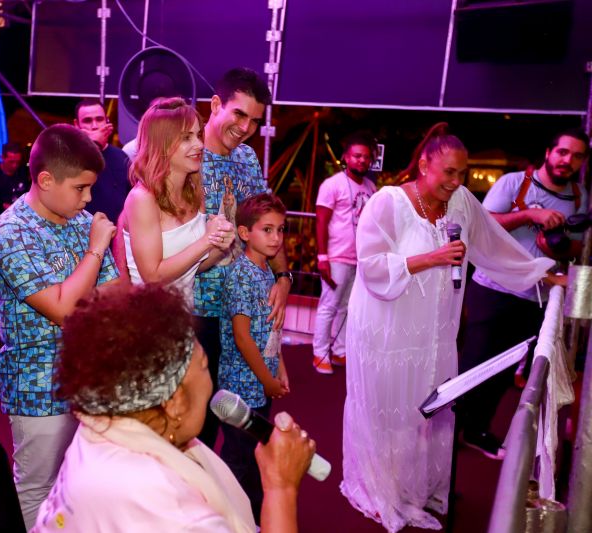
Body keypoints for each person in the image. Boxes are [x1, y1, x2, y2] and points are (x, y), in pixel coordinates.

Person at [340, 123, 555, 533]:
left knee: (426, 406)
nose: (456, 182)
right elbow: (369, 266)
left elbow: (493, 245)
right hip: (386, 331)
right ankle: (384, 487)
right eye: (449, 173)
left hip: (435, 333)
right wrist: (433, 258)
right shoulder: (388, 202)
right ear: (424, 164)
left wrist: (540, 275)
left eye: (463, 174)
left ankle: (416, 486)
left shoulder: (461, 204)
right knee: (393, 409)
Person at [32, 283, 315, 533]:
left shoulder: (100, 423)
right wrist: (281, 487)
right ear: (174, 400)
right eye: (204, 366)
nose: (211, 382)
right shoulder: (168, 507)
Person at [0, 124, 119, 530]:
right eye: (80, 188)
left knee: (81, 484)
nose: (88, 198)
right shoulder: (11, 232)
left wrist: (81, 290)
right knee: (37, 488)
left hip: (88, 377)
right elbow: (62, 308)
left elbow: (114, 296)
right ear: (45, 180)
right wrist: (96, 250)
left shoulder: (79, 220)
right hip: (37, 385)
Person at [458, 127, 589, 459]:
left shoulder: (579, 195)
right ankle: (447, 433)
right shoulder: (515, 183)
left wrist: (558, 245)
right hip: (493, 288)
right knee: (474, 364)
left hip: (536, 296)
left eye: (576, 156)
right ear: (548, 152)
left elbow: (578, 247)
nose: (567, 161)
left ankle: (475, 430)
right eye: (562, 152)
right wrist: (531, 214)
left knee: (504, 371)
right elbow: (483, 224)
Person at [194, 67, 293, 448]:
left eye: (255, 120)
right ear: (216, 104)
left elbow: (267, 219)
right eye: (239, 114)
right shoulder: (188, 155)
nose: (246, 127)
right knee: (198, 418)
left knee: (244, 419)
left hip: (248, 305)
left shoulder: (248, 158)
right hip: (201, 307)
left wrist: (283, 280)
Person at [119, 97, 235, 304]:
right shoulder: (142, 199)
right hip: (148, 321)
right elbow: (152, 276)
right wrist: (206, 240)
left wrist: (219, 247)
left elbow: (188, 268)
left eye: (198, 135)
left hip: (181, 320)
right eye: (186, 137)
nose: (199, 144)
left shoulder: (193, 192)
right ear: (161, 145)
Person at [219, 193, 290, 521]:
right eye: (268, 230)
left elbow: (269, 331)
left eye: (281, 230)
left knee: (256, 453)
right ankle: (228, 519)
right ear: (245, 233)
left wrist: (280, 368)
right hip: (241, 388)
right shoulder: (241, 275)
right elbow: (243, 336)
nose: (277, 238)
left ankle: (254, 517)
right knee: (238, 458)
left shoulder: (266, 273)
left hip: (261, 383)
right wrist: (267, 380)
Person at [313, 132, 377, 374]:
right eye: (357, 156)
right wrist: (322, 258)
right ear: (346, 158)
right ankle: (320, 354)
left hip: (359, 259)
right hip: (336, 257)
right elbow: (320, 222)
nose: (362, 161)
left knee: (347, 307)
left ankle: (340, 351)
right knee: (329, 305)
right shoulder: (332, 185)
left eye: (366, 157)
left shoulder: (371, 187)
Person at [74, 99, 132, 224]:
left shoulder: (122, 157)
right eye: (87, 121)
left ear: (107, 121)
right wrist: (95, 144)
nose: (94, 126)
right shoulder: (69, 155)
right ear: (76, 125)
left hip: (115, 233)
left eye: (99, 119)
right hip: (79, 234)